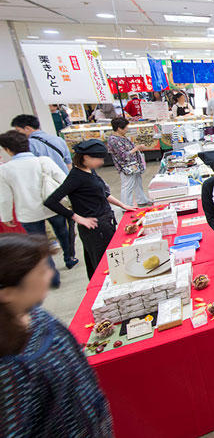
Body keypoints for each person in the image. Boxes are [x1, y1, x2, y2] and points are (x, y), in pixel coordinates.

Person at [0, 233, 113, 437]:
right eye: (41, 272)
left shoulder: (36, 315)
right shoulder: (10, 368)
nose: (51, 275)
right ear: (8, 293)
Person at [44, 140, 135, 279]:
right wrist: (77, 217)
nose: (102, 162)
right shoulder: (75, 177)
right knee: (102, 265)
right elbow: (51, 201)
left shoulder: (90, 171)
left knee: (112, 258)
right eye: (99, 158)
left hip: (105, 222)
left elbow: (102, 192)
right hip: (94, 228)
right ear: (86, 157)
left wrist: (122, 205)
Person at [0, 130, 75, 286]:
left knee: (40, 245)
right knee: (63, 232)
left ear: (7, 149)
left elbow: (5, 198)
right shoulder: (44, 161)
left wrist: (6, 217)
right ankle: (69, 258)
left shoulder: (5, 170)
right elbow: (64, 181)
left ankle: (53, 277)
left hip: (27, 213)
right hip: (53, 206)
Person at [105, 117, 151, 208]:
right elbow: (123, 155)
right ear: (119, 128)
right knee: (127, 186)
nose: (127, 129)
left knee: (138, 182)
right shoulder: (114, 140)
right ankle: (126, 205)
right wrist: (137, 148)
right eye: (126, 127)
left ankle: (142, 200)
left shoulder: (121, 136)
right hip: (126, 166)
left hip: (134, 164)